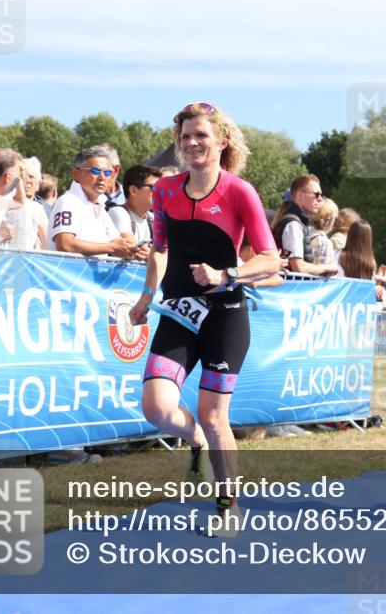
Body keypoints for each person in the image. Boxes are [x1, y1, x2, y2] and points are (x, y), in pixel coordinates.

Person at [128, 102, 279, 532]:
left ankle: (229, 507)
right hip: (177, 311)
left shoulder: (239, 191)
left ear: (222, 141)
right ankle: (192, 438)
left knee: (215, 416)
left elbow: (270, 259)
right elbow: (159, 249)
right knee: (157, 408)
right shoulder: (166, 190)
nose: (192, 143)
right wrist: (146, 295)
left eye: (201, 136)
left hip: (224, 315)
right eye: (185, 137)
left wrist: (226, 273)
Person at [47, 147, 138, 259]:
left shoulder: (99, 205)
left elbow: (119, 242)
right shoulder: (68, 201)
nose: (102, 177)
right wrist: (112, 247)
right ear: (76, 173)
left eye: (108, 173)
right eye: (96, 171)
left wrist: (139, 250)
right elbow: (65, 244)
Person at [271, 174, 338, 276]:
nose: (320, 199)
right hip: (290, 289)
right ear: (300, 196)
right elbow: (298, 267)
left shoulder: (298, 223)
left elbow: (287, 258)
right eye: (316, 194)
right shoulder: (293, 225)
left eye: (321, 195)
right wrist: (327, 267)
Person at [108, 164, 162, 263]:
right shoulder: (118, 212)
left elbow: (168, 252)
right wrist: (155, 255)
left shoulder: (153, 218)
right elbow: (134, 250)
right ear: (134, 190)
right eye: (154, 187)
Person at [6, 156, 48, 250]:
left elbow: (47, 244)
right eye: (23, 176)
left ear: (38, 184)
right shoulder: (4, 204)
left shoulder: (39, 209)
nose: (27, 181)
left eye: (31, 177)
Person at [309, 197, 338, 265]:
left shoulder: (304, 233)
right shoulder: (325, 243)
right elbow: (327, 270)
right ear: (330, 220)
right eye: (334, 218)